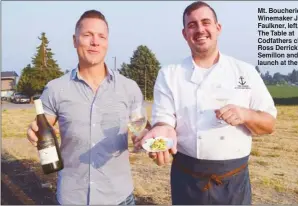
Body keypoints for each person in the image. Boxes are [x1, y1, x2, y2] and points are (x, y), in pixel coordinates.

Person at [141, 1, 277, 205]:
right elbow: (164, 122)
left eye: (206, 22)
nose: (200, 29)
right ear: (184, 33)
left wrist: (245, 114)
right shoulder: (169, 74)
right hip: (186, 178)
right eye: (192, 25)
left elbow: (269, 123)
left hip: (233, 181)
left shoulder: (245, 72)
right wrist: (161, 133)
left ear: (218, 28)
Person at [26, 10, 149, 205]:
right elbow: (43, 126)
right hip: (71, 197)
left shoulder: (129, 88)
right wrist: (33, 131)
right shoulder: (56, 88)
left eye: (101, 36)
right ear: (75, 40)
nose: (95, 42)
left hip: (119, 198)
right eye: (87, 35)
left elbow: (139, 129)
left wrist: (144, 138)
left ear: (107, 42)